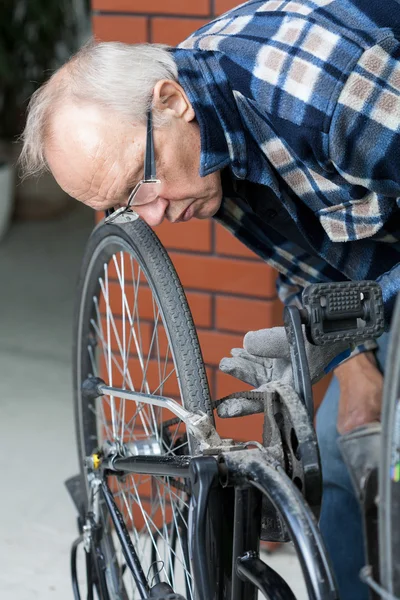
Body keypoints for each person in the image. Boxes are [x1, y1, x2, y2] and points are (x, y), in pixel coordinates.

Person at [20, 0, 400, 597]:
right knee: (346, 442)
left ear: (171, 101)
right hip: (382, 259)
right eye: (124, 207)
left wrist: (372, 315)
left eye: (140, 183)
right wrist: (351, 358)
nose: (156, 217)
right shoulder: (195, 147)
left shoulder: (321, 88)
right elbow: (307, 249)